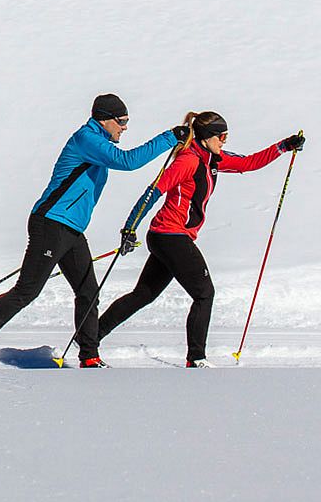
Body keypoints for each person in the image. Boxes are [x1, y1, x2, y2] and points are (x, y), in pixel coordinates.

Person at [0, 94, 181, 370]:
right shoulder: (88, 139)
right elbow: (128, 162)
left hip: (70, 229)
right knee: (28, 291)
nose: (124, 127)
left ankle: (89, 356)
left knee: (88, 292)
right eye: (121, 121)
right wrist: (170, 137)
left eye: (127, 121)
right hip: (50, 223)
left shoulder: (98, 142)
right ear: (105, 119)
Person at [96, 112, 304, 367]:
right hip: (170, 236)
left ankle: (91, 336)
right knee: (204, 293)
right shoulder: (188, 161)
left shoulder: (211, 159)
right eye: (221, 136)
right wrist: (129, 228)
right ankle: (196, 358)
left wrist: (284, 146)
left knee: (142, 295)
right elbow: (154, 191)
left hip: (169, 236)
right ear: (206, 137)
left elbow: (249, 163)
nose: (224, 141)